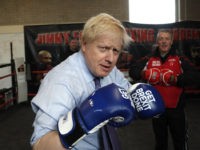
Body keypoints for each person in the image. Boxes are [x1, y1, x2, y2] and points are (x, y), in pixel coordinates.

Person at [30, 13, 133, 150]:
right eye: (104, 48)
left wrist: (138, 95)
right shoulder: (61, 81)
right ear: (84, 44)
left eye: (115, 51)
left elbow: (128, 91)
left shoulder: (110, 71)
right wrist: (81, 123)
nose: (110, 58)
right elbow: (40, 144)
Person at [129, 29, 200, 150]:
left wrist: (176, 79)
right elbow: (133, 70)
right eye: (161, 39)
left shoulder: (179, 58)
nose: (164, 42)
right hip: (157, 109)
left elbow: (196, 76)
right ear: (157, 41)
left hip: (176, 110)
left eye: (167, 39)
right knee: (160, 142)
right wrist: (144, 73)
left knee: (180, 142)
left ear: (171, 41)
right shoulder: (149, 58)